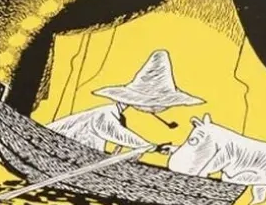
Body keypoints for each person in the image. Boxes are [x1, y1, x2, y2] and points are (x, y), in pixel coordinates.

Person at [47, 49, 202, 158]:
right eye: (157, 103)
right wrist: (152, 147)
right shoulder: (105, 114)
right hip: (57, 150)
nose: (160, 108)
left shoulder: (116, 115)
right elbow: (118, 134)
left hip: (74, 154)